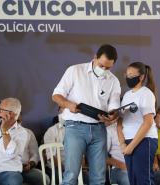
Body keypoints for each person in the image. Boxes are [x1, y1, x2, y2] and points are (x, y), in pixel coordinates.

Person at [52, 44, 121, 185]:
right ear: (95, 57)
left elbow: (114, 107)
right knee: (71, 174)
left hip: (100, 129)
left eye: (108, 68)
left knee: (99, 177)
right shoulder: (75, 71)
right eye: (101, 65)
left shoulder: (113, 80)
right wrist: (68, 105)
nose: (104, 70)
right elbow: (56, 95)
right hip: (75, 127)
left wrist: (112, 115)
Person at [117, 62, 158, 185]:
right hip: (128, 140)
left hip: (144, 140)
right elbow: (120, 121)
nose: (128, 78)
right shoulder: (127, 95)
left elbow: (148, 122)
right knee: (133, 180)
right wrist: (122, 143)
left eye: (131, 75)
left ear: (141, 77)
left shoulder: (146, 93)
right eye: (127, 75)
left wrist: (131, 146)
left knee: (143, 180)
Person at [0, 98, 27, 185]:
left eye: (0, 110)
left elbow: (11, 153)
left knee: (13, 182)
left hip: (10, 173)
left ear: (12, 114)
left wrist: (5, 131)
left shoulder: (21, 132)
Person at [17, 113, 50, 185]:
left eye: (18, 121)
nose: (16, 124)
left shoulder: (28, 133)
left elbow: (35, 154)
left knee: (45, 179)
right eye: (15, 121)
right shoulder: (2, 133)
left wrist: (30, 164)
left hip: (26, 169)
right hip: (9, 170)